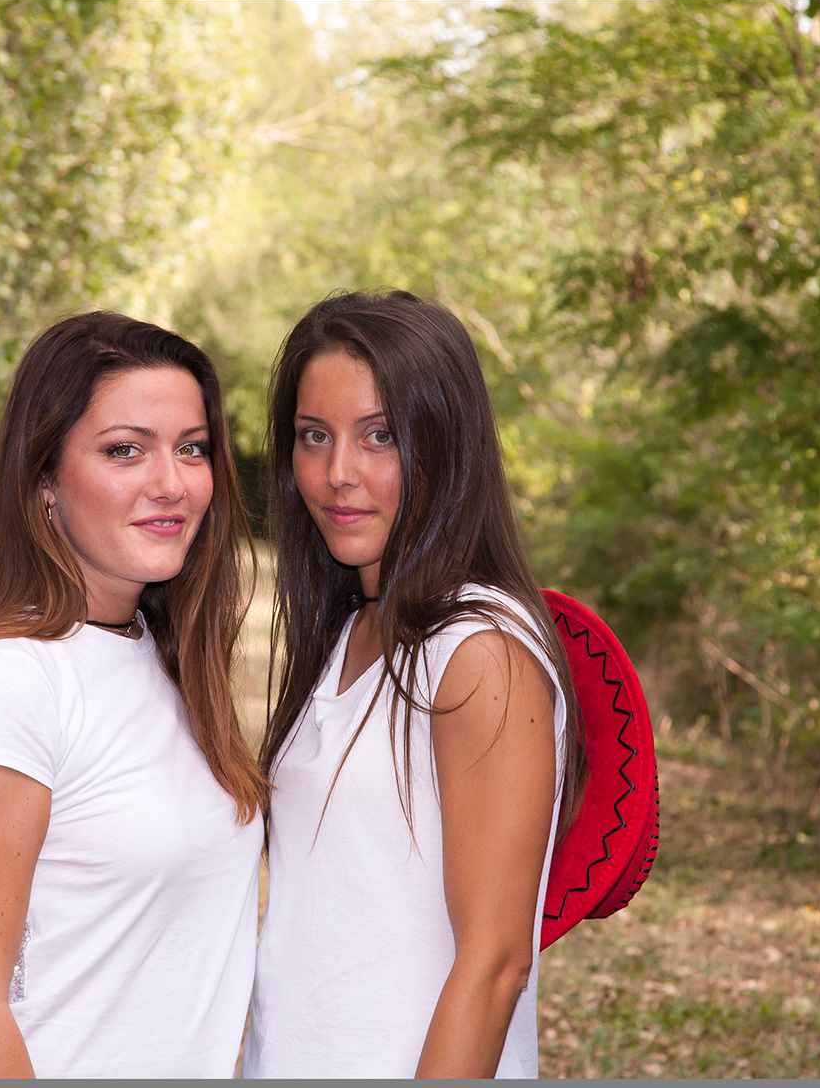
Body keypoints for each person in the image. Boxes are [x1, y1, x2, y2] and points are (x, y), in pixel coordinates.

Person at [0, 311, 266, 1078]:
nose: (171, 483)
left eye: (192, 449)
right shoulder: (8, 678)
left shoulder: (161, 658)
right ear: (44, 483)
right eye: (124, 450)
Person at [242, 289, 589, 1079]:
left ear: (446, 446)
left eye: (380, 437)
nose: (337, 474)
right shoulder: (352, 631)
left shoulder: (480, 652)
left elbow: (496, 964)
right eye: (313, 437)